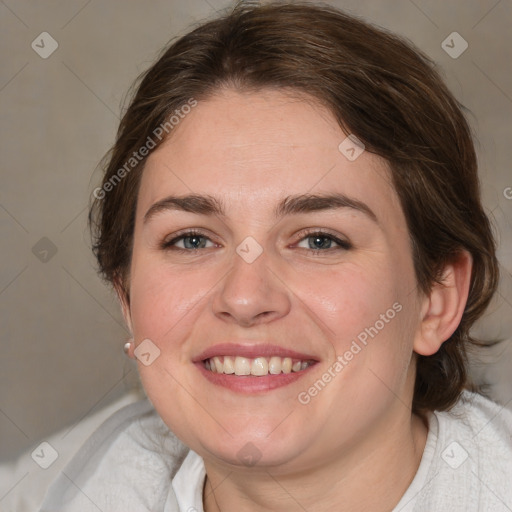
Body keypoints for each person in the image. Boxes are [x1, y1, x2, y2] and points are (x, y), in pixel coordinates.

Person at [40, 1, 512, 511]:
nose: (245, 298)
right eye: (192, 240)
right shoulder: (67, 484)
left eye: (319, 240)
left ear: (436, 299)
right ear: (127, 296)